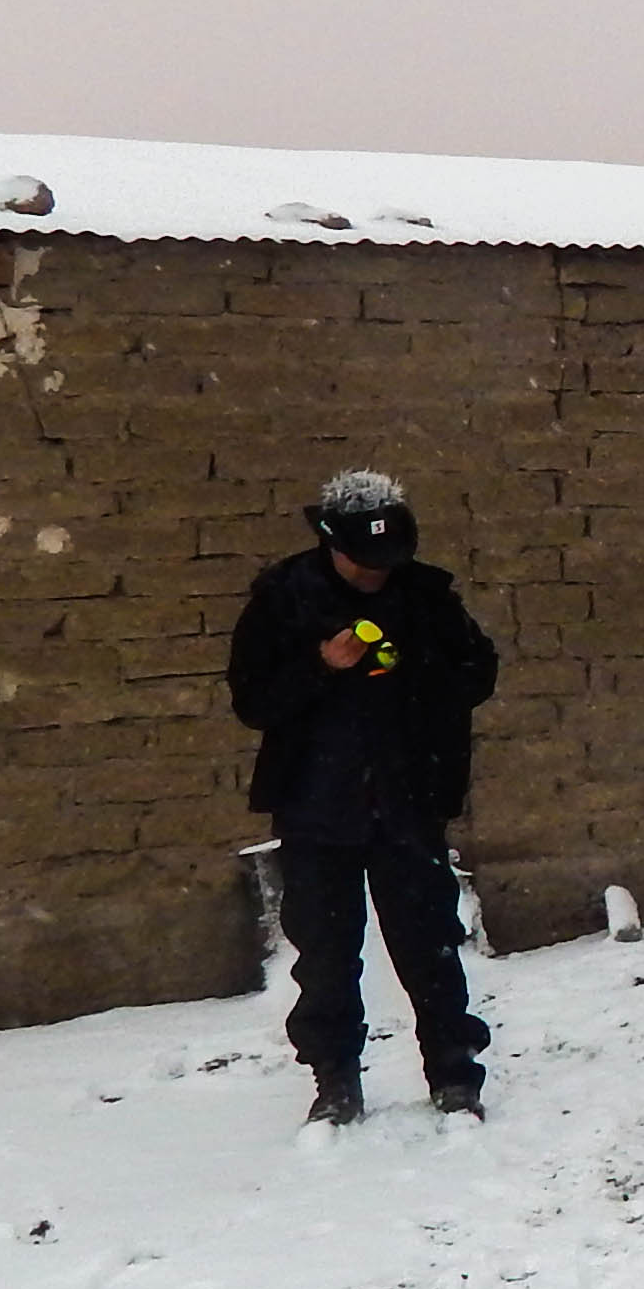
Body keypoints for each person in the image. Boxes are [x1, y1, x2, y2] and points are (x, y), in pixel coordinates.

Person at [226, 470, 503, 1127]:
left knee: (430, 946)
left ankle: (454, 1074)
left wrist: (418, 667)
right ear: (331, 543)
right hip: (316, 805)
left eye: (388, 560)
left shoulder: (426, 596)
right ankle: (335, 1080)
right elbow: (254, 701)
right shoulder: (283, 599)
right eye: (365, 560)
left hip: (410, 799)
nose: (377, 573)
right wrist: (322, 665)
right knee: (325, 954)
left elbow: (477, 674)